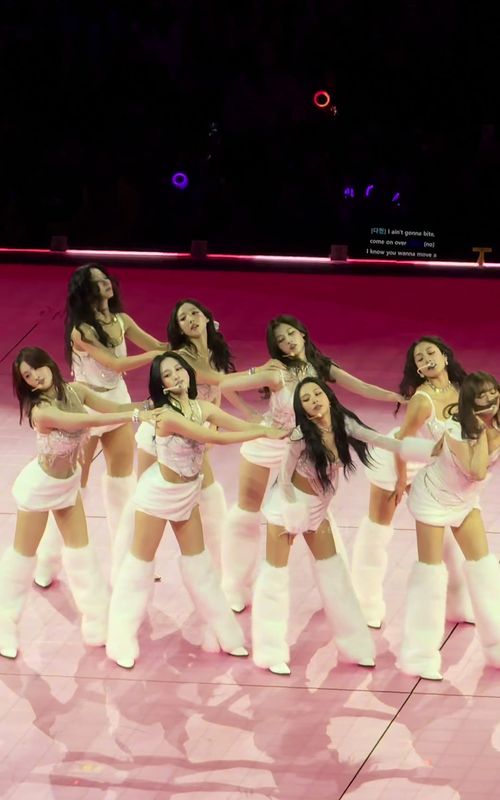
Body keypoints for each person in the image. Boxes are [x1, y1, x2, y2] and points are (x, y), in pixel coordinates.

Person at [106, 352, 287, 669]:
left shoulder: (202, 407)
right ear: (161, 384)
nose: (176, 375)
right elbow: (212, 436)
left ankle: (227, 636)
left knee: (200, 568)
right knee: (139, 566)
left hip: (187, 494)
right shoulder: (166, 416)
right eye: (167, 374)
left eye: (179, 369)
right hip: (158, 496)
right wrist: (261, 433)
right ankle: (120, 639)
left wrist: (265, 427)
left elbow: (236, 423)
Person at [251, 377, 439, 676]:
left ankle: (355, 647)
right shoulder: (301, 435)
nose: (314, 401)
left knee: (334, 574)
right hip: (287, 506)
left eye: (317, 394)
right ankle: (270, 650)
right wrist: (292, 512)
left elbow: (381, 441)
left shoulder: (344, 424)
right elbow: (284, 479)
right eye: (306, 399)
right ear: (301, 408)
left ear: (328, 395)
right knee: (275, 576)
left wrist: (428, 450)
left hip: (318, 509)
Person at [219, 314, 404, 612]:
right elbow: (225, 384)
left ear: (303, 334)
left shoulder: (320, 366)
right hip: (269, 440)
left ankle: (338, 595)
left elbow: (360, 386)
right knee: (247, 511)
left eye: (291, 334)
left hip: (305, 445)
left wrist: (394, 396)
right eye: (280, 340)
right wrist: (251, 409)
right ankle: (234, 587)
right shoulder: (276, 373)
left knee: (318, 511)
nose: (288, 341)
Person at [0, 347, 154, 659]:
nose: (35, 377)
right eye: (27, 377)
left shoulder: (76, 391)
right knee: (23, 555)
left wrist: (151, 405)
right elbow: (89, 420)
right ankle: (4, 623)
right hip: (41, 488)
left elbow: (116, 406)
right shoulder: (41, 411)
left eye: (36, 368)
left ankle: (97, 624)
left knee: (81, 554)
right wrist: (137, 416)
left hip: (68, 485)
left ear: (48, 363)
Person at [34, 263, 166, 588]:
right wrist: (153, 356)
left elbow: (158, 347)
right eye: (97, 281)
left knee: (123, 486)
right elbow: (116, 363)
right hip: (84, 407)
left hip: (118, 401)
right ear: (85, 291)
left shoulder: (122, 320)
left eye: (105, 278)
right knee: (72, 486)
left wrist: (180, 346)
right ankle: (47, 561)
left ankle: (128, 564)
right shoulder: (81, 330)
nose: (105, 283)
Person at [122, 298, 256, 580]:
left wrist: (223, 420)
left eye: (194, 313)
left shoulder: (214, 352)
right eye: (183, 318)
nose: (190, 319)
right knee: (144, 503)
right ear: (179, 328)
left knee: (209, 497)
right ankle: (132, 568)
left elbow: (216, 391)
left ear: (206, 317)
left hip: (192, 434)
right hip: (159, 435)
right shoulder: (181, 358)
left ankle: (221, 570)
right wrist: (264, 374)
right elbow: (220, 381)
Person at [351, 335, 472, 629]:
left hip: (435, 463)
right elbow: (403, 442)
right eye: (420, 358)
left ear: (445, 356)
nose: (427, 359)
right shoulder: (421, 399)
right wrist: (401, 480)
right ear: (417, 369)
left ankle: (458, 604)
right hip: (399, 458)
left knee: (445, 529)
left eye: (431, 353)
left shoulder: (463, 389)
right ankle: (364, 605)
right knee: (379, 527)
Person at [398, 371, 500, 680]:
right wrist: (481, 430)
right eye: (481, 396)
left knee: (484, 568)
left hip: (464, 501)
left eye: (493, 392)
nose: (490, 400)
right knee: (429, 574)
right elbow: (477, 471)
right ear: (469, 401)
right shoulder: (457, 429)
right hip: (433, 497)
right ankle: (419, 657)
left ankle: (497, 646)